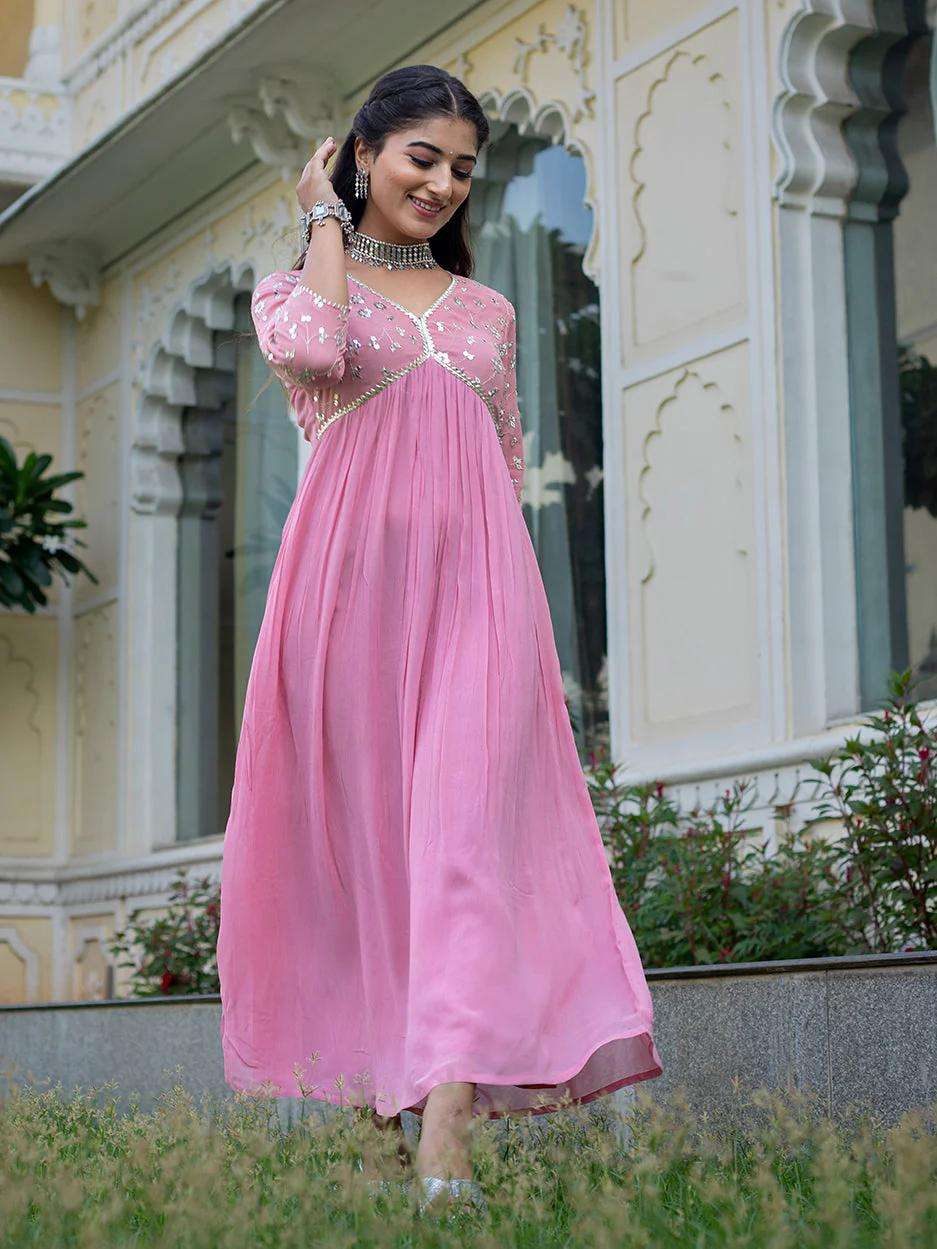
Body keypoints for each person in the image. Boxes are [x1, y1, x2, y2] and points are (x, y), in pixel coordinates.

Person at [216, 62, 663, 1216]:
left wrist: (509, 609)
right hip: (342, 610)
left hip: (476, 605)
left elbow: (502, 465)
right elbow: (317, 354)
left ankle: (448, 1137)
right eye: (423, 158)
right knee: (366, 862)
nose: (445, 184)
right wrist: (322, 218)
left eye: (464, 168)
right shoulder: (293, 291)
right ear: (363, 154)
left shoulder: (487, 314)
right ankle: (385, 1107)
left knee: (464, 846)